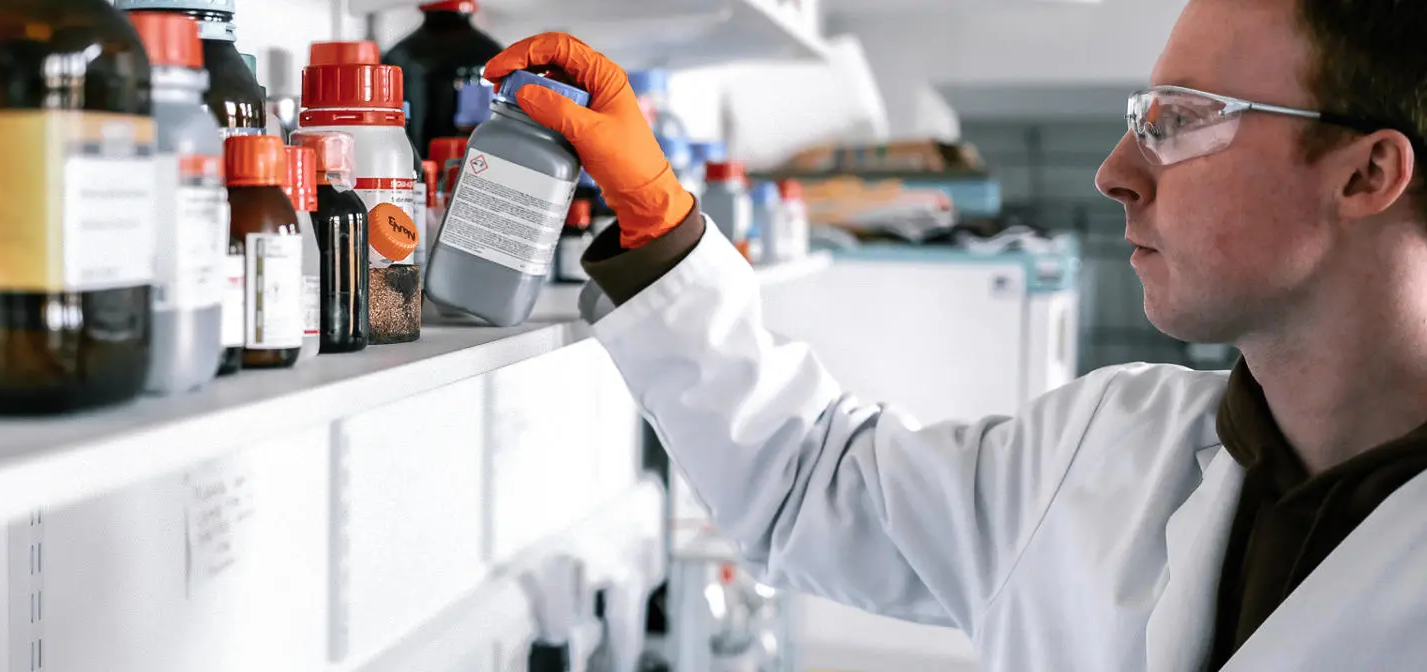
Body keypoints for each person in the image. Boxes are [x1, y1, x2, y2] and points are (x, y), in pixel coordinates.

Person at [484, 0, 1427, 669]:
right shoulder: (1106, 449)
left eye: (1180, 122)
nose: (1115, 172)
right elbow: (811, 484)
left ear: (1365, 173)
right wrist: (658, 225)